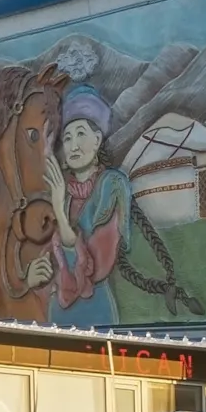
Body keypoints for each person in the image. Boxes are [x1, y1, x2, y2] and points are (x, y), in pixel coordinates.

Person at [32, 89, 133, 327]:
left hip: (94, 310)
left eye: (81, 134)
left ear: (97, 140)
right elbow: (48, 258)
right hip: (58, 313)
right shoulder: (62, 190)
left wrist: (59, 209)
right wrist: (33, 275)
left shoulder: (111, 186)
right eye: (67, 138)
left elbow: (95, 269)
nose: (74, 145)